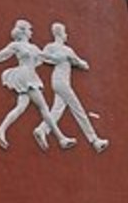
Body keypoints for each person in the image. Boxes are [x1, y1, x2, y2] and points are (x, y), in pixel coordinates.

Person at [0, 19, 77, 152]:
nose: (31, 32)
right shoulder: (16, 45)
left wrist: (61, 57)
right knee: (43, 107)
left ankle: (0, 130)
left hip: (30, 75)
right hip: (25, 76)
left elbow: (44, 59)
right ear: (23, 31)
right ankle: (61, 138)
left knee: (21, 107)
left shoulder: (34, 48)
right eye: (30, 30)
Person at [34, 22, 110, 153]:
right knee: (78, 109)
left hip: (64, 82)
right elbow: (42, 58)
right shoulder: (51, 47)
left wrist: (75, 60)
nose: (66, 35)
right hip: (59, 81)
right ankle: (94, 140)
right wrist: (58, 57)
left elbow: (84, 65)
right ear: (60, 34)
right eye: (65, 32)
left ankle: (42, 130)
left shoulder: (68, 50)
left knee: (57, 110)